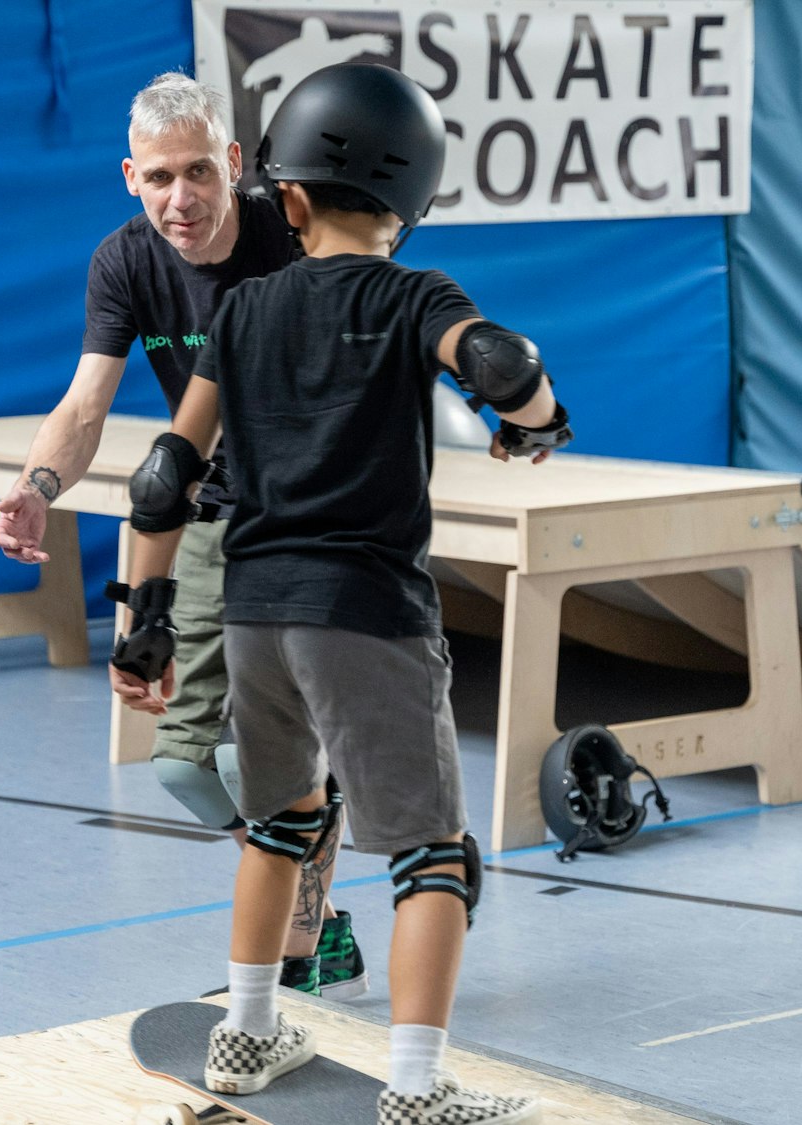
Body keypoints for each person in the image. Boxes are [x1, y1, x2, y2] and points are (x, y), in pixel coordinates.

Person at [111, 63, 567, 1124]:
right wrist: (535, 422)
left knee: (279, 821)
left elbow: (163, 475)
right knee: (433, 855)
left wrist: (144, 628)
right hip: (364, 615)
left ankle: (245, 1033)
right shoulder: (418, 295)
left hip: (254, 612)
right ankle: (414, 1090)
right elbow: (498, 361)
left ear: (291, 199)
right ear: (411, 208)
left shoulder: (246, 308)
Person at [0, 73, 366, 998]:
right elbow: (86, 404)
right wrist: (37, 484)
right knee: (190, 769)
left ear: (234, 164)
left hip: (321, 511)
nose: (180, 199)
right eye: (159, 178)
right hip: (209, 510)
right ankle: (317, 895)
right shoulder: (124, 263)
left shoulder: (293, 233)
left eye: (199, 172)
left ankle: (293, 950)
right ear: (130, 177)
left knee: (262, 756)